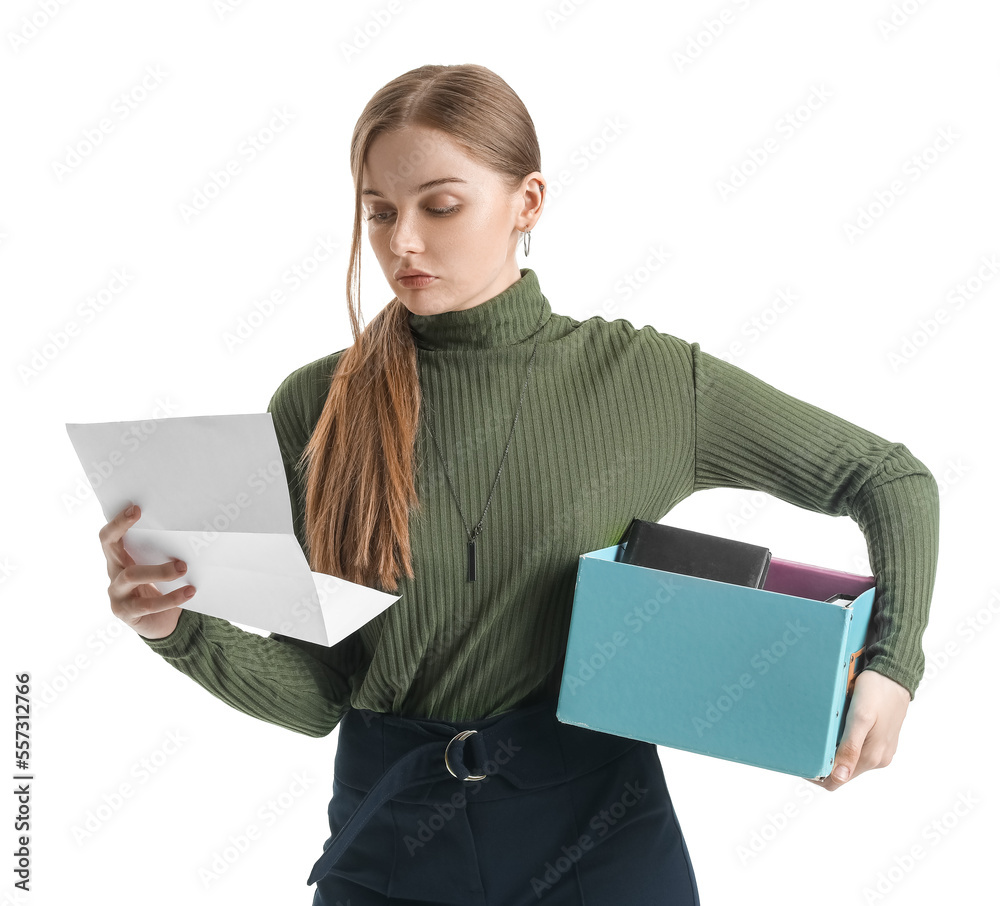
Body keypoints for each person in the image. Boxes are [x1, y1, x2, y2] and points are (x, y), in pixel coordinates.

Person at [98, 64, 939, 904]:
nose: (402, 243)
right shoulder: (318, 405)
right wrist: (179, 629)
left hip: (602, 845)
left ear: (527, 202)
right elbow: (323, 693)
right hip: (390, 846)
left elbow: (887, 478)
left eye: (440, 206)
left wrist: (892, 666)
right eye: (380, 212)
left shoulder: (648, 380)